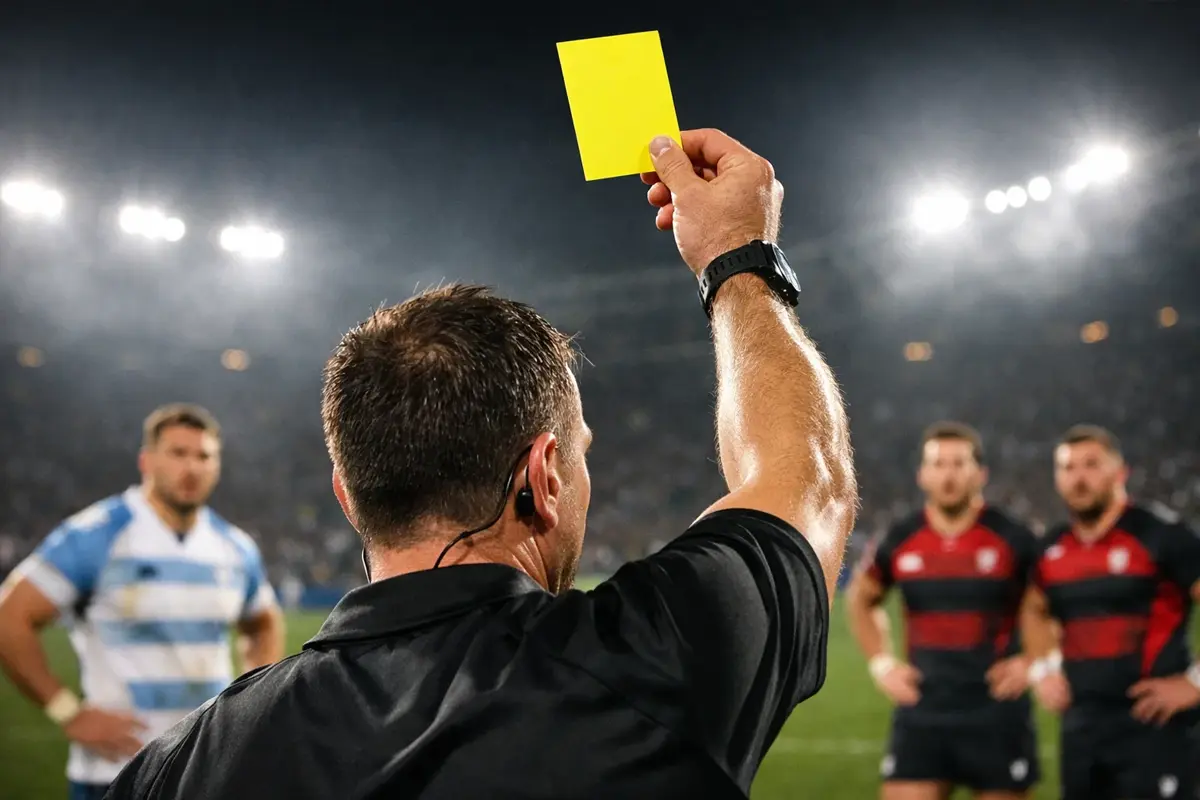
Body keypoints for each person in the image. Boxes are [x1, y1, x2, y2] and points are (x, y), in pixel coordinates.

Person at [104, 128, 858, 799]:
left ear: (346, 495)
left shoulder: (179, 766)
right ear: (543, 477)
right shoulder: (654, 662)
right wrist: (738, 259)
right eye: (580, 453)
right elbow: (809, 479)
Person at [0, 404, 285, 800]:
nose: (192, 467)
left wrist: (251, 702)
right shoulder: (97, 534)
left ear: (217, 466)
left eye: (204, 456)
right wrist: (68, 712)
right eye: (178, 453)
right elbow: (10, 617)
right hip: (117, 775)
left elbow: (263, 621)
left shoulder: (234, 547)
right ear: (146, 460)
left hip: (208, 771)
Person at [845, 422, 1041, 800]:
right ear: (923, 474)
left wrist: (1036, 661)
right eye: (938, 464)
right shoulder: (901, 537)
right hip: (923, 708)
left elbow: (1055, 601)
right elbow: (861, 598)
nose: (948, 475)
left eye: (958, 463)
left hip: (997, 711)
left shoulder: (1013, 537)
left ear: (980, 473)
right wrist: (882, 664)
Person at [1023, 425, 1200, 800]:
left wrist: (1196, 683)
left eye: (1091, 465)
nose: (1079, 478)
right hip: (1081, 729)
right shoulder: (1052, 549)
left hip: (1154, 726)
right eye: (1068, 468)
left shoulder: (1161, 535)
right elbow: (1034, 610)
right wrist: (1043, 668)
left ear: (1120, 473)